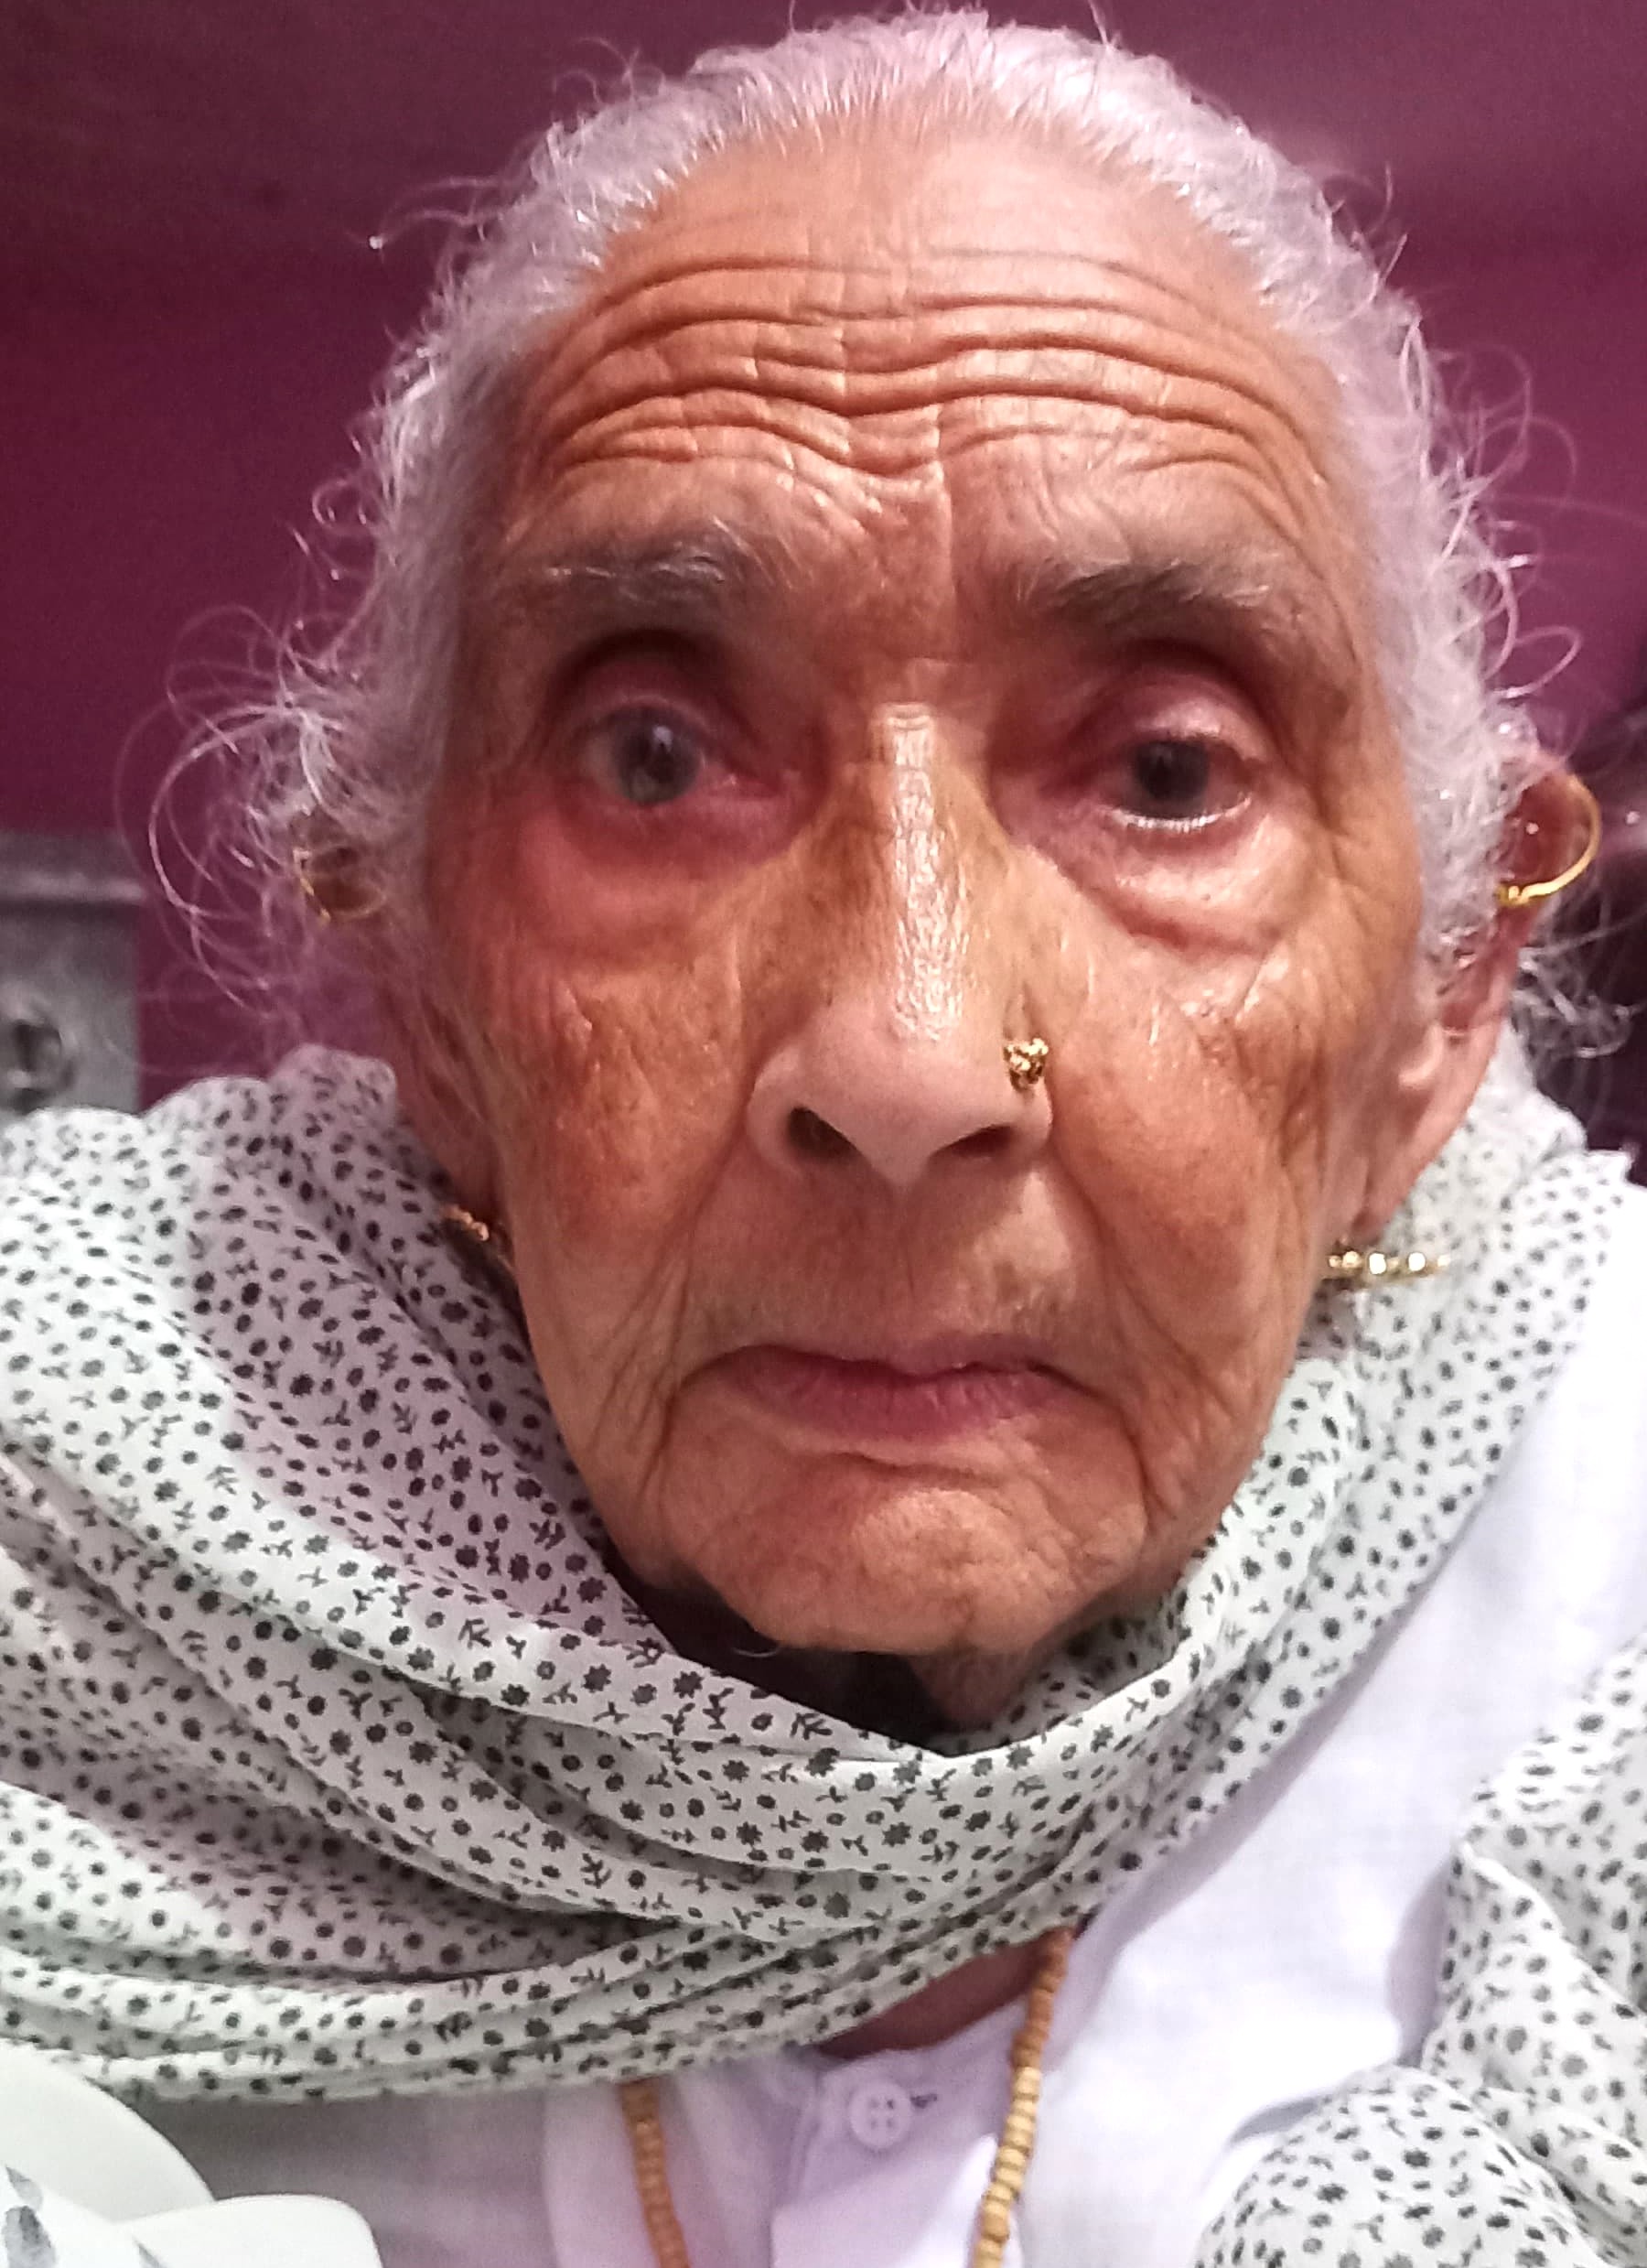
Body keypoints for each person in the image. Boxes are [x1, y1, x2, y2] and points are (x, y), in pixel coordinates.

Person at [0, 11, 1640, 2265]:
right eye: (655, 758)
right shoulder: (80, 1516)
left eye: (1166, 774)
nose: (908, 1059)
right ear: (430, 993)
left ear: (1437, 1005)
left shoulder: (1605, 1555)